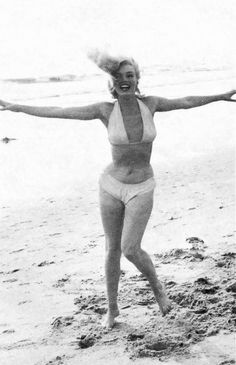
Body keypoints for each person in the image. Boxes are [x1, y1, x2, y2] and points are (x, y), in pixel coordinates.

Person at [1, 51, 235, 329]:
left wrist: (220, 96)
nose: (125, 81)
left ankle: (158, 288)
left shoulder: (152, 104)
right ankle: (112, 310)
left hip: (141, 187)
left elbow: (185, 102)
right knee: (112, 249)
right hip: (111, 186)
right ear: (112, 82)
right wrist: (15, 106)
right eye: (119, 76)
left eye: (130, 75)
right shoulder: (105, 110)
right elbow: (61, 113)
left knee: (130, 249)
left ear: (137, 79)